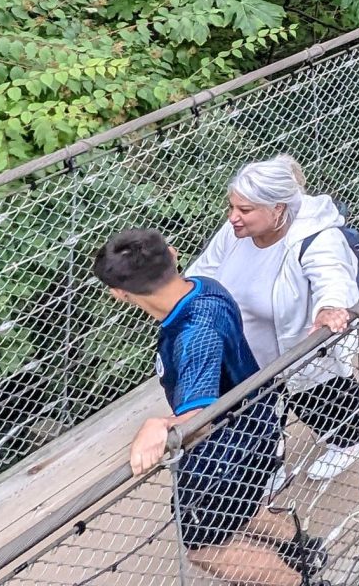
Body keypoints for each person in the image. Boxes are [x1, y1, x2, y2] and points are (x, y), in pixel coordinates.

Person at [97, 230, 318, 586]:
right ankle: (305, 551)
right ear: (173, 254)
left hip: (223, 454)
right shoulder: (204, 287)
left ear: (119, 294)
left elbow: (199, 420)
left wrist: (158, 424)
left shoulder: (192, 333)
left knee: (207, 548)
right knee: (245, 509)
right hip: (258, 421)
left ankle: (299, 582)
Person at [190, 156, 359, 485]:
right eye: (232, 207)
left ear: (277, 209)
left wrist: (329, 309)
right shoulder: (234, 232)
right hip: (246, 351)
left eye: (245, 210)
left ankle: (350, 443)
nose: (233, 218)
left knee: (320, 398)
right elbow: (203, 271)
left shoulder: (317, 238)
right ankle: (267, 467)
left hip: (296, 345)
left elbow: (333, 280)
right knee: (255, 412)